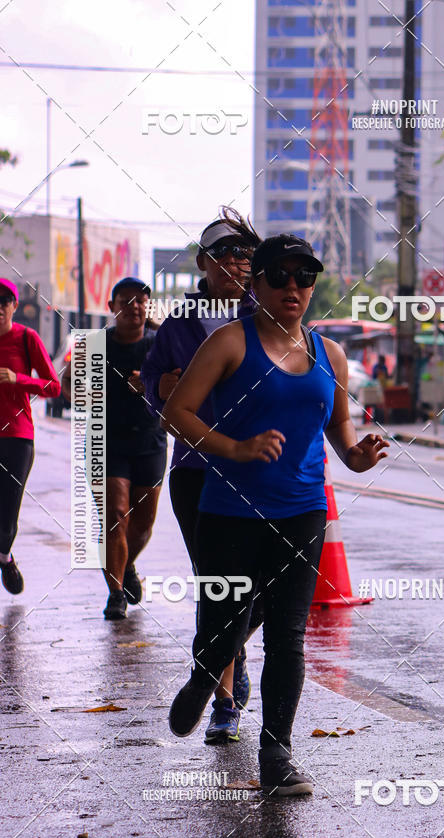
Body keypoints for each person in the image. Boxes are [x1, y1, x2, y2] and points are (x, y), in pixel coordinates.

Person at [162, 234, 389, 796]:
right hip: (230, 513)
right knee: (222, 630)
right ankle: (203, 676)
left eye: (304, 277)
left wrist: (355, 457)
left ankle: (277, 755)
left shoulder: (327, 353)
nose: (293, 287)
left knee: (287, 637)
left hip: (302, 511)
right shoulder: (228, 343)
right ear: (256, 283)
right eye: (280, 276)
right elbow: (176, 412)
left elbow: (338, 428)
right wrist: (234, 448)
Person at [141, 208, 261, 744]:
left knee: (268, 587)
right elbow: (153, 387)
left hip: (259, 471)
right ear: (204, 264)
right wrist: (162, 389)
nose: (238, 262)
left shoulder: (270, 316)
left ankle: (215, 661)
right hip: (195, 470)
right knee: (217, 585)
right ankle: (224, 703)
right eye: (227, 254)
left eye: (246, 254)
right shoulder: (178, 326)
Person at [62, 277, 167, 619]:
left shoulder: (159, 344)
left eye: (140, 300)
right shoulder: (95, 344)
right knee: (115, 517)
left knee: (142, 525)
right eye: (126, 300)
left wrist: (151, 385)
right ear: (112, 307)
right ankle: (116, 594)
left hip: (150, 440)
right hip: (106, 441)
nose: (134, 306)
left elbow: (181, 381)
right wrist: (82, 397)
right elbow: (66, 381)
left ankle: (126, 566)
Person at [0, 278, 61, 594]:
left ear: (13, 305)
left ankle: (5, 557)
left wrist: (18, 378)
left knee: (7, 510)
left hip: (17, 437)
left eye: (3, 301)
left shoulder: (27, 338)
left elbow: (54, 386)